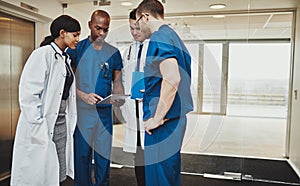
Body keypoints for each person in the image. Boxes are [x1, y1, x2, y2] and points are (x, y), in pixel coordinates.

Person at [10, 15, 81, 186]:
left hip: (61, 123)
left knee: (59, 172)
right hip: (43, 125)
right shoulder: (42, 55)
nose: (78, 39)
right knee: (39, 174)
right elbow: (28, 95)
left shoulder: (64, 58)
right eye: (75, 35)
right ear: (62, 33)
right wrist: (38, 124)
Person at [136, 0, 194, 185]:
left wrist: (157, 117)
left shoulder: (159, 37)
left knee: (159, 180)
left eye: (137, 22)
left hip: (162, 125)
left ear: (145, 17)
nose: (137, 28)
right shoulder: (173, 36)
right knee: (168, 176)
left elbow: (172, 78)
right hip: (174, 121)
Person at [67, 10, 124, 186]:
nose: (101, 33)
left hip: (104, 114)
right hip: (83, 114)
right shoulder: (76, 50)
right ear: (90, 25)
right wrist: (83, 95)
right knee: (82, 156)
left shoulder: (113, 53)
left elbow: (118, 81)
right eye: (98, 28)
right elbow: (68, 82)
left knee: (103, 157)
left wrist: (119, 96)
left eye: (105, 30)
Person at [121, 8, 148, 186]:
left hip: (149, 108)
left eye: (138, 28)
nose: (135, 32)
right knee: (138, 155)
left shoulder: (155, 47)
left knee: (151, 154)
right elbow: (124, 78)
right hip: (133, 109)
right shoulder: (128, 51)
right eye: (131, 28)